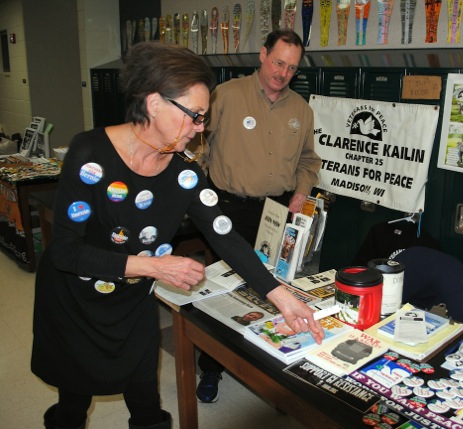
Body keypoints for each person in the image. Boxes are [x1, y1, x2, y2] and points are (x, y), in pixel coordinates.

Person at [30, 41, 324, 429]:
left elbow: (226, 237)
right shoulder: (89, 153)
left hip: (131, 306)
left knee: (146, 403)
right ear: (154, 104)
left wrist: (281, 296)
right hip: (75, 303)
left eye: (204, 118)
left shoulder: (184, 173)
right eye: (195, 116)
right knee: (72, 405)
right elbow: (66, 253)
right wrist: (154, 266)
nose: (201, 129)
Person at [195, 29, 321, 403]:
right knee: (229, 291)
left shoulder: (301, 109)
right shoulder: (226, 96)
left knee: (276, 290)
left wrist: (301, 191)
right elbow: (197, 146)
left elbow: (309, 161)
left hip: (277, 212)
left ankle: (270, 368)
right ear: (263, 55)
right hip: (228, 209)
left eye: (292, 68)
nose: (283, 73)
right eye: (278, 62)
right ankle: (212, 367)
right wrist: (195, 196)